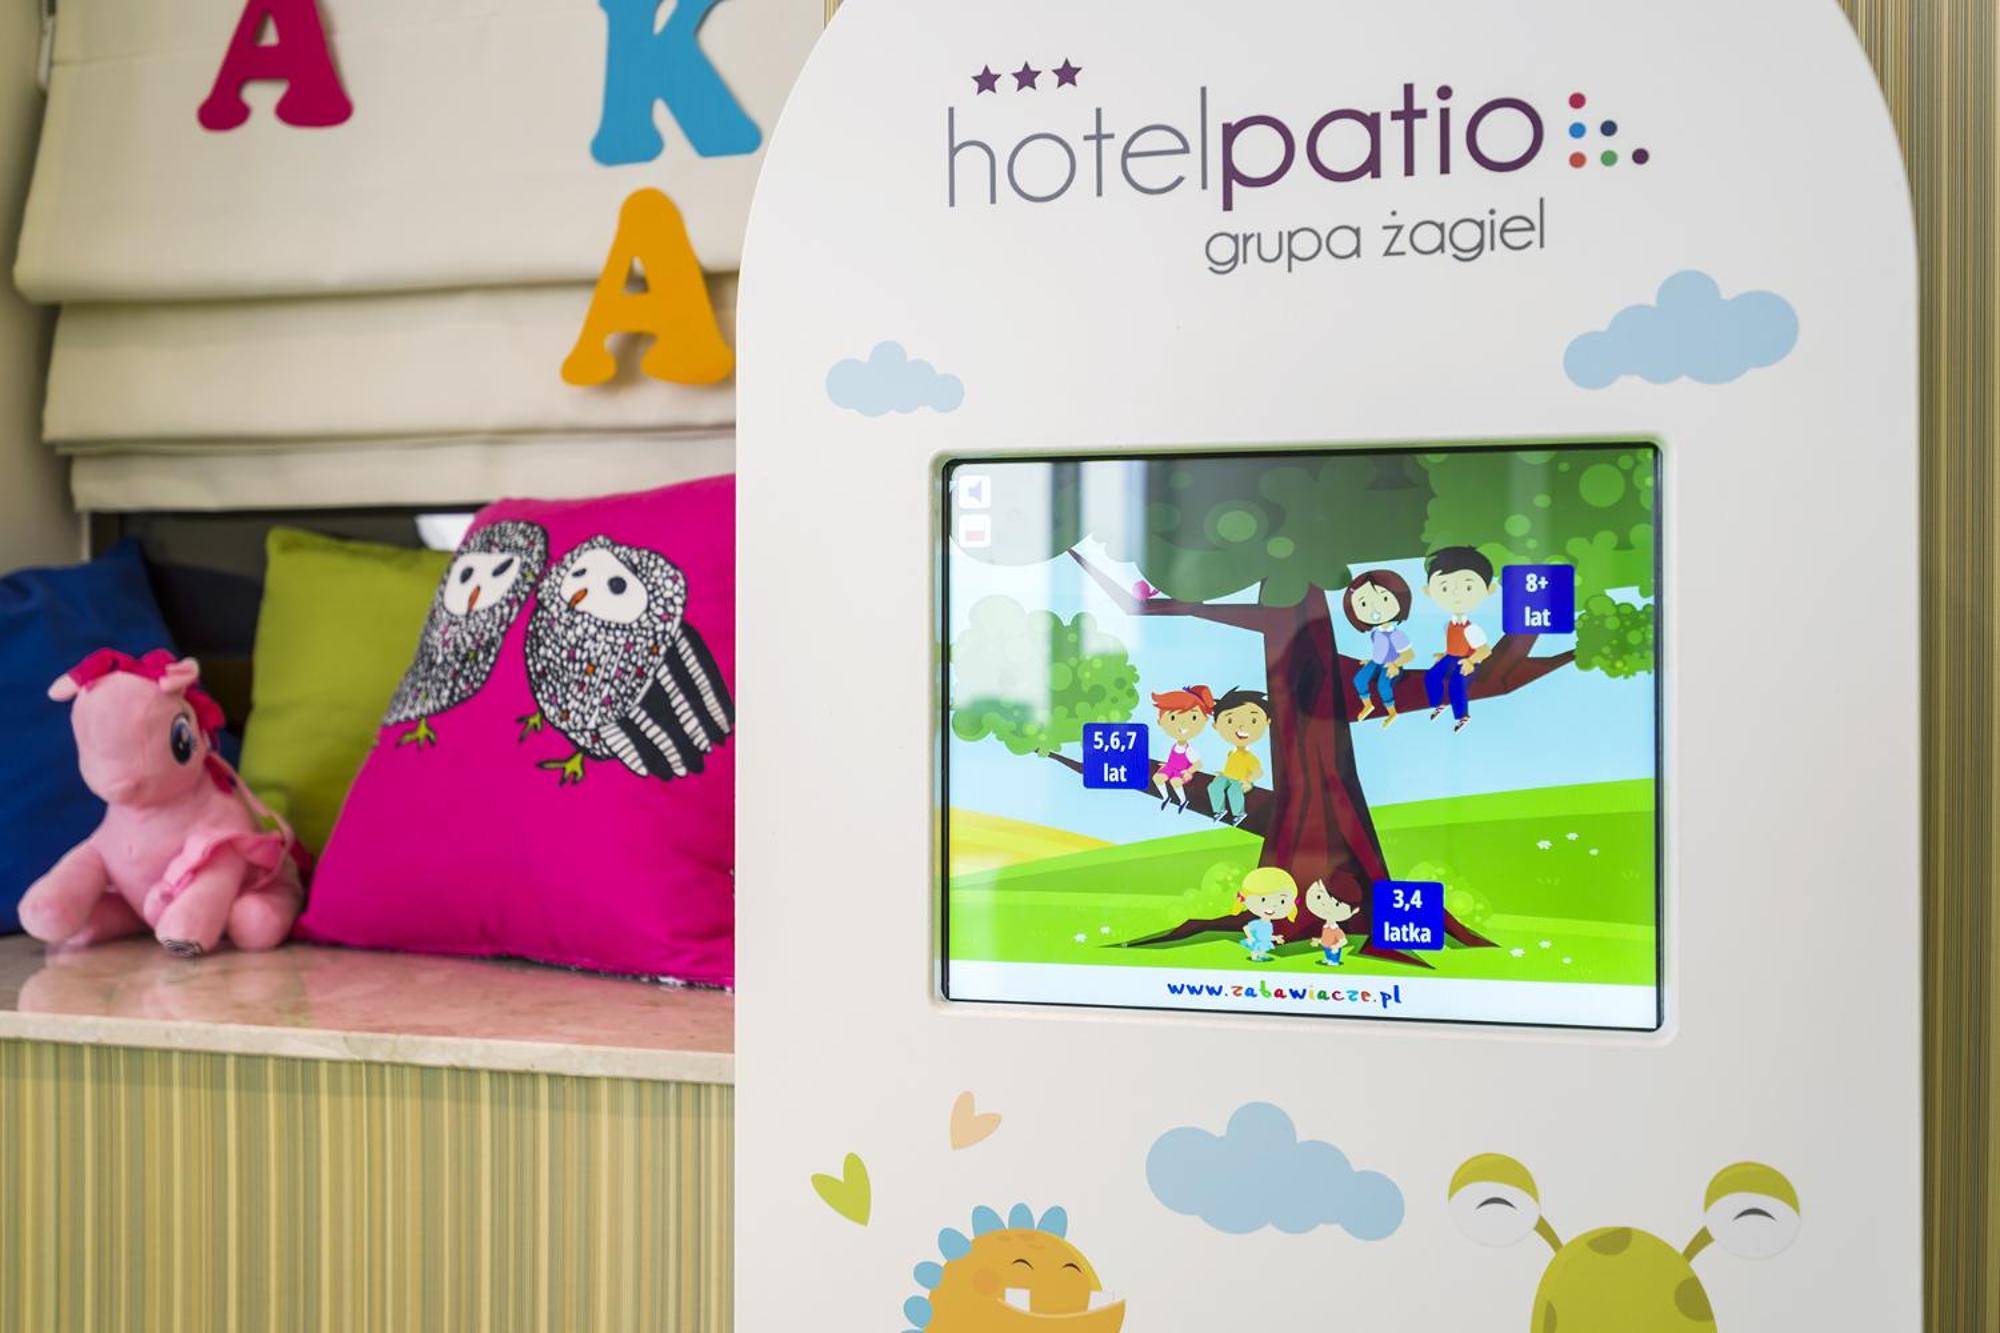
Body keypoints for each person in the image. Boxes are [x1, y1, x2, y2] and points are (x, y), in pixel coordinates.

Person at [1422, 547, 1498, 734]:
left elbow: (1485, 650)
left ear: (1488, 590)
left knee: (1457, 683)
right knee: (1432, 675)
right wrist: (1444, 654)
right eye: (1444, 588)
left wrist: (1471, 661)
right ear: (1429, 591)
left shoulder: (1471, 628)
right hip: (1450, 657)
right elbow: (1453, 644)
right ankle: (1438, 703)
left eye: (1468, 587)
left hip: (1468, 661)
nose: (1456, 595)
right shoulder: (1448, 624)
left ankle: (1462, 715)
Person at [1342, 570, 1415, 725]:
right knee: (1359, 680)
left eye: (1384, 598)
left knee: (1383, 685)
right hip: (1376, 662)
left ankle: (1392, 712)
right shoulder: (1375, 633)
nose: (1375, 608)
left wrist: (1395, 664)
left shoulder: (1396, 634)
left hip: (1392, 664)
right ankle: (1368, 705)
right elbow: (1380, 650)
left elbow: (1409, 654)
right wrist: (1371, 659)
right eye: (1363, 604)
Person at [1208, 688, 1270, 825]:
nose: (1241, 727)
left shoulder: (1249, 756)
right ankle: (1219, 810)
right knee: (1214, 787)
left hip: (1241, 780)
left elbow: (1258, 772)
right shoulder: (1232, 753)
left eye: (1253, 720)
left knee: (1233, 790)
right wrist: (1223, 774)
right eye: (1230, 721)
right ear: (1216, 725)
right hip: (1228, 776)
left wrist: (1248, 781)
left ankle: (1239, 813)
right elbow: (1231, 767)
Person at [1150, 685, 1214, 811]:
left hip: (1182, 771)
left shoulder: (1189, 749)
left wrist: (1189, 771)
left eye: (1193, 717)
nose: (1183, 723)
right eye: (1173, 717)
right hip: (1171, 768)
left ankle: (1183, 800)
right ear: (1161, 722)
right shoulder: (1175, 745)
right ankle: (1165, 797)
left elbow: (1198, 764)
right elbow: (1173, 759)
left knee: (1175, 782)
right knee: (1157, 778)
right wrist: (1167, 765)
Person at [1236, 867, 1300, 961]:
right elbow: (1246, 928)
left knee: (1262, 950)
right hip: (1257, 942)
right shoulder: (1257, 923)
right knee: (1256, 949)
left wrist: (1276, 938)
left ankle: (1261, 956)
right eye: (1263, 899)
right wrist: (1250, 937)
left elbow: (1267, 936)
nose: (1273, 905)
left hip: (1263, 943)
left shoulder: (1269, 925)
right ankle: (1254, 957)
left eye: (1282, 901)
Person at [1305, 879, 1359, 966]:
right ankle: (1328, 959)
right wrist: (1318, 941)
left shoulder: (1336, 930)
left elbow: (1344, 941)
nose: (1324, 905)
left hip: (1333, 948)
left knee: (1333, 957)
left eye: (1337, 904)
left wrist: (1336, 946)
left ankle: (1334, 961)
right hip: (1326, 947)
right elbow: (1325, 938)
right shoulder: (1326, 927)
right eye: (1319, 897)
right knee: (1328, 955)